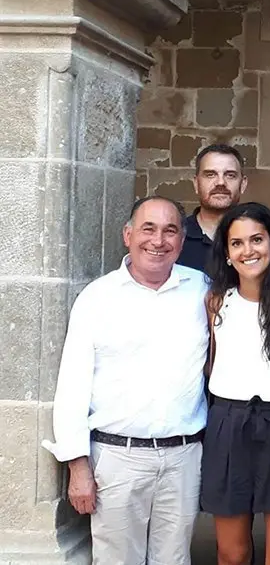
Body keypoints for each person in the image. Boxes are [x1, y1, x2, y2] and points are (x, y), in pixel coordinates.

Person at [42, 196, 208, 564]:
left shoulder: (202, 291)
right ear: (128, 235)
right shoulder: (97, 298)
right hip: (117, 458)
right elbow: (72, 386)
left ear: (182, 241)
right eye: (148, 228)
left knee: (175, 559)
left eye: (170, 231)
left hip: (183, 457)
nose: (158, 240)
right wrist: (78, 466)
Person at [200, 202, 270, 565]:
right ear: (227, 252)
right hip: (227, 424)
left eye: (257, 239)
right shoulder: (216, 301)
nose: (248, 251)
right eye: (237, 243)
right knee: (231, 553)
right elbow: (210, 363)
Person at [178, 144, 249, 271]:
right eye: (210, 174)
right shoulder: (176, 238)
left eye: (230, 175)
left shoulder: (259, 241)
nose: (221, 182)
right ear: (196, 183)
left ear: (243, 184)